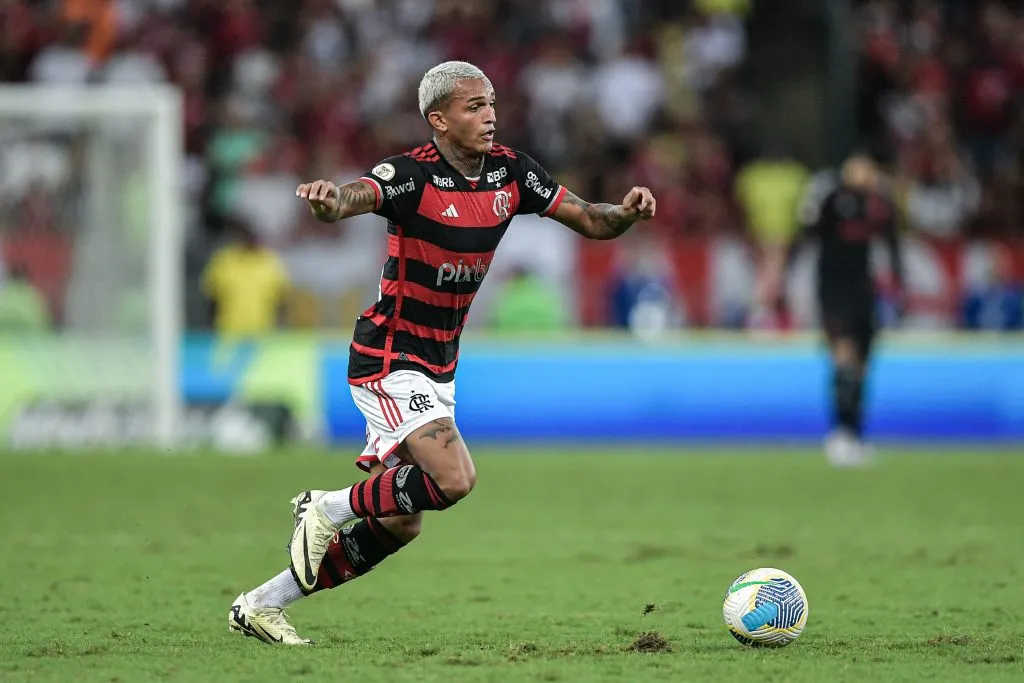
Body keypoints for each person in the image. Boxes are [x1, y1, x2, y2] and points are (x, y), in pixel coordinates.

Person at [227, 61, 656, 644]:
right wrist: (329, 202)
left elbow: (590, 219)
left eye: (492, 103)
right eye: (474, 107)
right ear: (439, 120)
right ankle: (325, 506)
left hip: (439, 365)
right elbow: (355, 196)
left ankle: (260, 604)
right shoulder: (411, 176)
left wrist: (625, 214)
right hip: (388, 355)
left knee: (401, 521)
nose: (490, 116)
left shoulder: (512, 173)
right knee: (454, 479)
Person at [766, 153, 904, 467]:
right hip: (832, 291)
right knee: (843, 358)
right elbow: (804, 238)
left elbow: (893, 242)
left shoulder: (879, 204)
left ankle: (856, 433)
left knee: (863, 366)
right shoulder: (831, 201)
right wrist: (784, 279)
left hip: (863, 292)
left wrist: (899, 282)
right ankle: (840, 434)